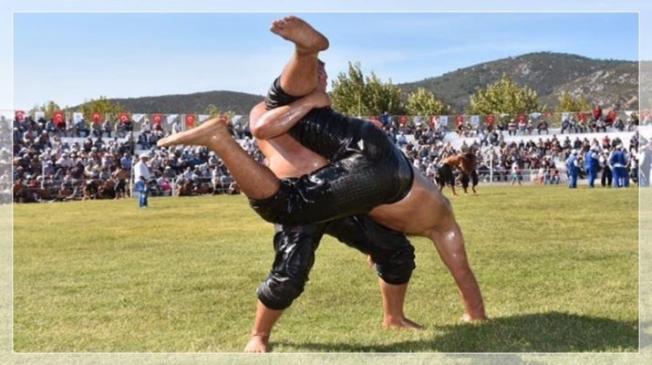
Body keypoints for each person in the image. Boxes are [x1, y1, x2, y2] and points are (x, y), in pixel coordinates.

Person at [158, 15, 485, 351]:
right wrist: (308, 101)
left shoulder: (323, 118)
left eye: (325, 74)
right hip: (300, 196)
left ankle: (394, 318)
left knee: (396, 252)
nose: (324, 81)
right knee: (290, 275)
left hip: (341, 194)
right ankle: (259, 335)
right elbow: (264, 127)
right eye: (317, 73)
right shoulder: (274, 109)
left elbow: (376, 193)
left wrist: (380, 239)